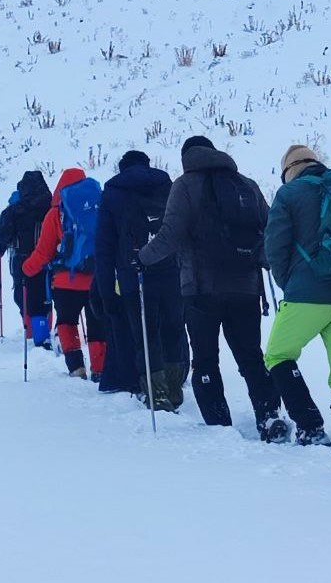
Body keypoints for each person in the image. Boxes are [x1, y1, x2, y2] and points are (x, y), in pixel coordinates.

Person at [138, 136, 287, 442]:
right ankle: (269, 416)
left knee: (206, 358)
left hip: (201, 289)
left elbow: (170, 235)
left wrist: (141, 258)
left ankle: (219, 425)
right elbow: (272, 227)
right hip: (245, 287)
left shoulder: (184, 185)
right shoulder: (244, 183)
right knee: (250, 357)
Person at [263, 145, 331, 451]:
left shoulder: (288, 194)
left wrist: (290, 283)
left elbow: (275, 246)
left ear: (289, 171)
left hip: (306, 296)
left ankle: (311, 427)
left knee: (278, 355)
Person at [95, 150, 188, 410]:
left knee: (145, 336)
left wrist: (105, 291)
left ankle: (156, 394)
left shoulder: (113, 192)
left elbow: (104, 246)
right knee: (172, 331)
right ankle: (174, 390)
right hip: (170, 271)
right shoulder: (166, 185)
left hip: (133, 276)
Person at [22, 167, 110, 380]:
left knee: (67, 322)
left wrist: (26, 269)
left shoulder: (56, 213)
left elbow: (44, 252)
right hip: (96, 278)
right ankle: (100, 369)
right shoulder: (98, 206)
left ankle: (77, 367)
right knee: (98, 324)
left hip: (65, 282)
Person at [0, 171, 53, 349]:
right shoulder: (53, 206)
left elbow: (3, 235)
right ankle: (45, 328)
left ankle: (33, 332)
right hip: (50, 259)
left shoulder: (15, 210)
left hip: (23, 261)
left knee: (23, 295)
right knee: (46, 295)